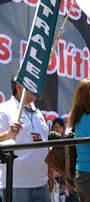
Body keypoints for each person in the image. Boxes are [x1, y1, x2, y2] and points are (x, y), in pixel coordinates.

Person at [0, 70, 50, 201]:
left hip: (41, 183)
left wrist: (49, 173)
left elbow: (44, 145)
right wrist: (8, 134)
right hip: (16, 184)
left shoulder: (38, 113)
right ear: (19, 86)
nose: (38, 87)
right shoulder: (4, 110)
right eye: (33, 83)